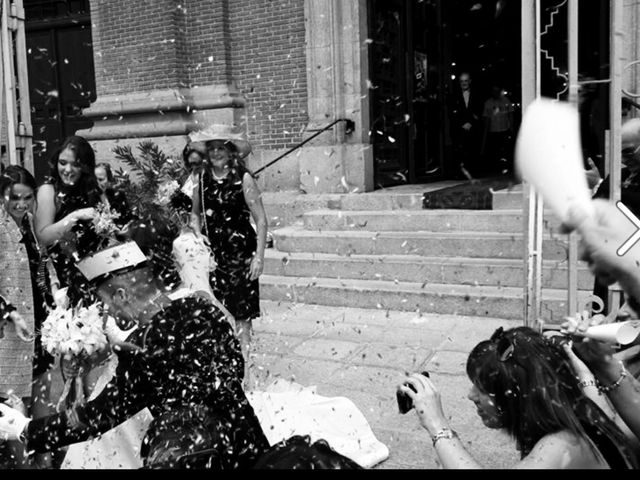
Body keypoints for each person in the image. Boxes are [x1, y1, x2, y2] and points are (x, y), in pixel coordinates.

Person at [0, 216, 270, 468]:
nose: (110, 312)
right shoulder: (206, 310)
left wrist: (23, 429)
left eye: (106, 302)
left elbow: (97, 417)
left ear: (121, 295)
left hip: (197, 458)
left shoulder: (143, 347)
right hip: (248, 448)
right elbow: (235, 369)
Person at [398, 326, 639, 468]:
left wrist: (437, 425)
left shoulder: (561, 445)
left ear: (516, 395)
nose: (471, 396)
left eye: (481, 388)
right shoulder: (577, 405)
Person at [190, 125, 268, 386]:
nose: (216, 153)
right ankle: (224, 369)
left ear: (231, 151)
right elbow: (195, 214)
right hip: (215, 259)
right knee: (219, 314)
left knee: (242, 316)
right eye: (211, 149)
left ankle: (245, 372)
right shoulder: (201, 180)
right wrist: (197, 232)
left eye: (221, 148)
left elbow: (261, 219)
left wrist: (259, 257)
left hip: (242, 256)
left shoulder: (243, 178)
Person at [1, 166, 56, 467]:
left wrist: (56, 288)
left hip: (40, 327)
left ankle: (45, 460)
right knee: (15, 415)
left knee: (42, 400)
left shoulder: (31, 223)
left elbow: (43, 262)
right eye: (14, 199)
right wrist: (10, 313)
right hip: (11, 337)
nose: (21, 205)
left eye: (28, 198)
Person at [585, 118, 640, 314]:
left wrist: (602, 184)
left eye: (628, 151)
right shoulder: (618, 177)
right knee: (603, 313)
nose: (624, 159)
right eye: (621, 153)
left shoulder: (611, 182)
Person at [450, 72, 483, 178]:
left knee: (473, 150)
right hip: (459, 128)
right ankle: (460, 174)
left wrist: (471, 123)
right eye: (461, 81)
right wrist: (462, 123)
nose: (464, 83)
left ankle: (473, 173)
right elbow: (452, 112)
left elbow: (479, 110)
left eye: (466, 81)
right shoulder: (454, 95)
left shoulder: (477, 94)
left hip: (473, 127)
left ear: (470, 81)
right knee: (460, 152)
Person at [480, 84, 515, 176]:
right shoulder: (488, 103)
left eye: (497, 91)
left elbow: (510, 114)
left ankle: (506, 167)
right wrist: (486, 131)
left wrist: (511, 127)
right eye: (493, 91)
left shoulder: (506, 101)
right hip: (493, 131)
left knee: (505, 150)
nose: (495, 93)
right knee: (495, 151)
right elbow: (486, 118)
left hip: (504, 129)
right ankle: (496, 169)